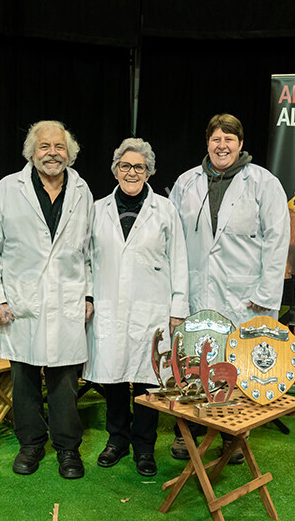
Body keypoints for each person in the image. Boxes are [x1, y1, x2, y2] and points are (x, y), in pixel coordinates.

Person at [168, 113, 290, 461]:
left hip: (243, 295)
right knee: (192, 359)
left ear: (240, 144)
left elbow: (277, 240)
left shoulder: (263, 183)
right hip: (196, 288)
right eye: (216, 139)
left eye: (229, 139)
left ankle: (230, 436)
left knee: (232, 365)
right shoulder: (186, 183)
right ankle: (187, 430)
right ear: (207, 143)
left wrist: (265, 296)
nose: (222, 146)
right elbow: (175, 238)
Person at [0, 120, 94, 479]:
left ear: (69, 153)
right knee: (24, 376)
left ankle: (67, 449)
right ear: (31, 151)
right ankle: (30, 444)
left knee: (64, 380)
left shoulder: (82, 190)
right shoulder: (8, 189)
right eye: (44, 147)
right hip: (20, 301)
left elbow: (89, 251)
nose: (52, 153)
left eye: (59, 147)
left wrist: (89, 294)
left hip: (67, 300)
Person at [83, 138, 189, 477]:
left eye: (139, 167)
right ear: (115, 170)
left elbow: (180, 260)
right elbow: (85, 260)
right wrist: (87, 296)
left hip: (152, 308)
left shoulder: (165, 210)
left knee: (149, 379)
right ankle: (117, 439)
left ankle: (144, 445)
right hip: (109, 306)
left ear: (149, 171)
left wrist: (178, 308)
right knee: (113, 377)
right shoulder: (97, 210)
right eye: (126, 166)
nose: (132, 172)